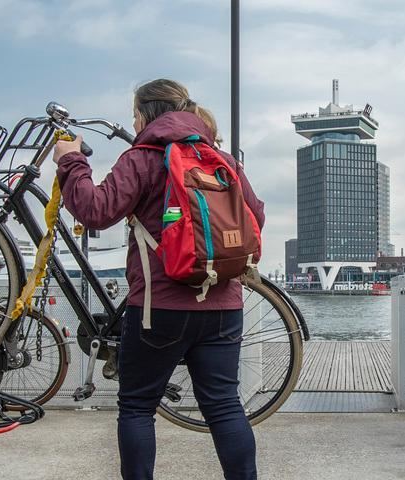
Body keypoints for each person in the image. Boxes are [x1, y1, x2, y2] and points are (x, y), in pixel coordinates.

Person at [54, 79, 265, 480]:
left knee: (137, 407)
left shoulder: (142, 158)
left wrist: (71, 161)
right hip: (223, 305)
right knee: (223, 406)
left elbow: (95, 211)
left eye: (134, 113)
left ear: (148, 113)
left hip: (159, 308)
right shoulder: (220, 160)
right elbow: (256, 217)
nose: (133, 122)